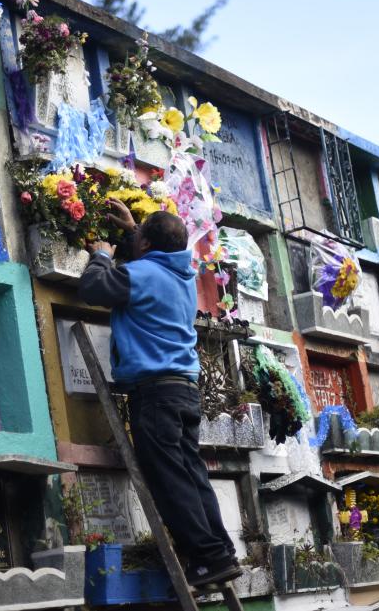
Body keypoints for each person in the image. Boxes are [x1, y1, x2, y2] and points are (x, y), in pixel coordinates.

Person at [77, 199, 241, 587]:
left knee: (168, 478)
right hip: (185, 389)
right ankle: (219, 551)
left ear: (148, 247)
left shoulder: (141, 273)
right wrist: (137, 231)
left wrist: (101, 256)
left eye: (141, 240)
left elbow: (93, 288)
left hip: (155, 393)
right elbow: (155, 260)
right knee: (192, 474)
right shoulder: (182, 276)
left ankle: (205, 557)